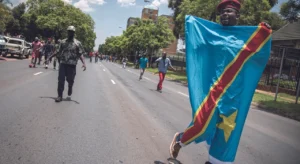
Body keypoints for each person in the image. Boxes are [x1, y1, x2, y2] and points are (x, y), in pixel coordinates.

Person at [169, 1, 272, 164]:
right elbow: (197, 43)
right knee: (203, 126)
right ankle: (181, 140)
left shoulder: (246, 38)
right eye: (222, 12)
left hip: (234, 96)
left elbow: (260, 53)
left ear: (237, 15)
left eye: (229, 11)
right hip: (213, 91)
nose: (224, 14)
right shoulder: (212, 34)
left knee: (226, 136)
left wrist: (263, 31)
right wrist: (192, 22)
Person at [46, 26, 86, 102]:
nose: (70, 33)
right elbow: (58, 51)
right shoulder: (63, 42)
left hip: (72, 65)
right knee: (60, 80)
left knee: (70, 80)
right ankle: (59, 96)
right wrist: (49, 57)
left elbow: (80, 54)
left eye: (72, 31)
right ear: (67, 32)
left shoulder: (77, 43)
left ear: (74, 33)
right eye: (69, 31)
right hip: (63, 63)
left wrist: (84, 63)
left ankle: (70, 87)